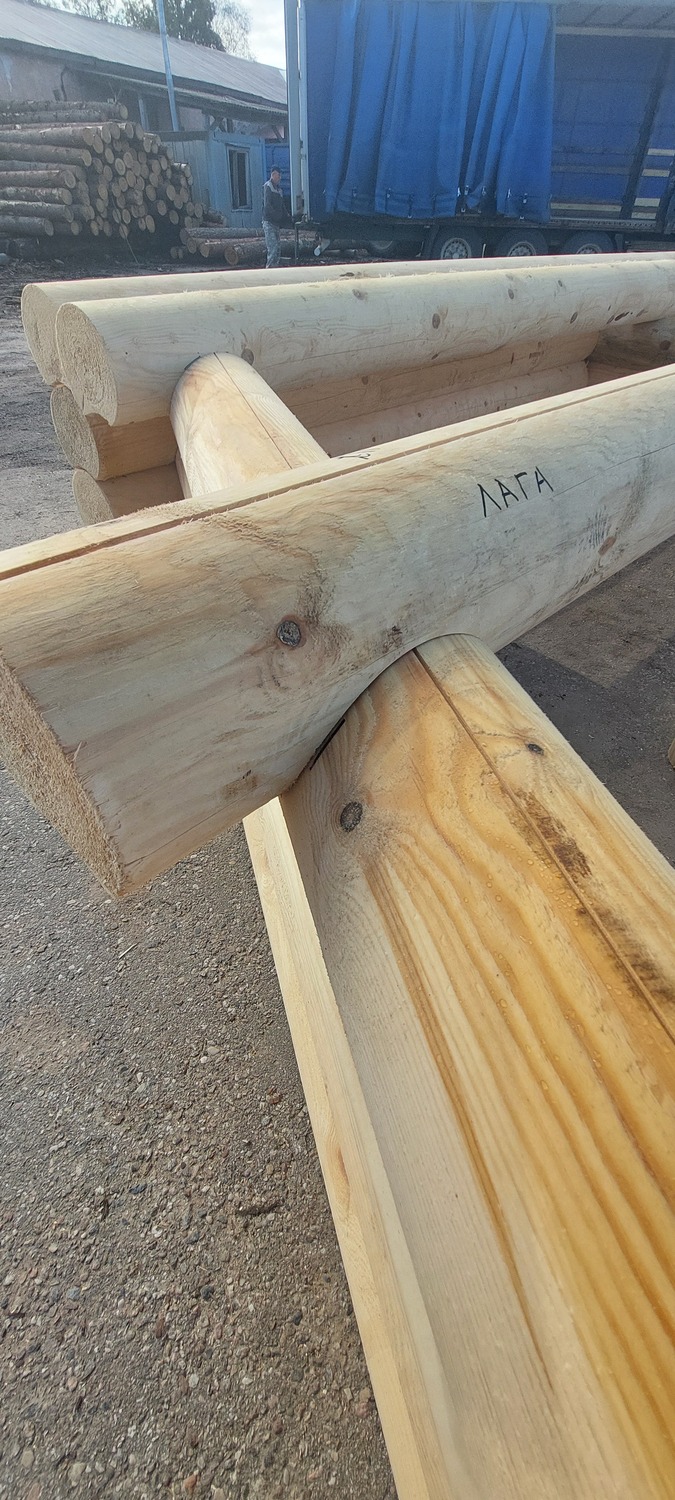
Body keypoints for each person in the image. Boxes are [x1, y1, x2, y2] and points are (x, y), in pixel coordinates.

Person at [262, 166, 287, 268]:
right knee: (272, 248)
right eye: (278, 175)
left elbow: (282, 205)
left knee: (278, 250)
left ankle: (275, 268)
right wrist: (276, 215)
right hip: (269, 222)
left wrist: (287, 216)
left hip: (276, 223)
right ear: (273, 175)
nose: (280, 177)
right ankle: (269, 269)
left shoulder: (279, 190)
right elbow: (267, 205)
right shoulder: (268, 187)